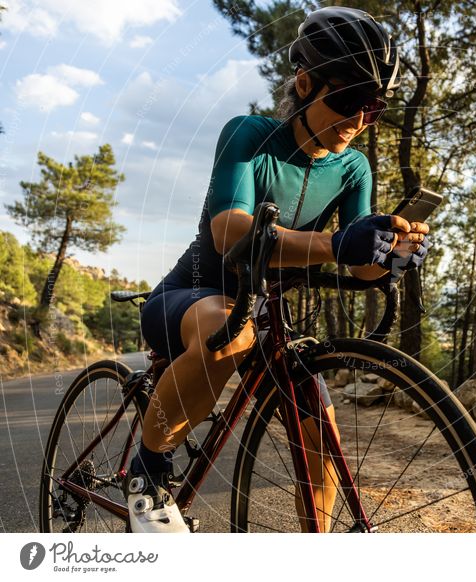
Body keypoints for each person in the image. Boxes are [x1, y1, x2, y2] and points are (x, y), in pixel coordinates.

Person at [126, 6, 432, 533]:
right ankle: (146, 472)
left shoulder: (354, 167)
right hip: (191, 293)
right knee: (233, 334)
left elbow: (354, 261)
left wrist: (386, 257)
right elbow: (229, 232)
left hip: (258, 312)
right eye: (349, 98)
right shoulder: (250, 135)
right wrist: (338, 242)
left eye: (374, 105)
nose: (361, 118)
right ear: (305, 82)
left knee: (319, 423)